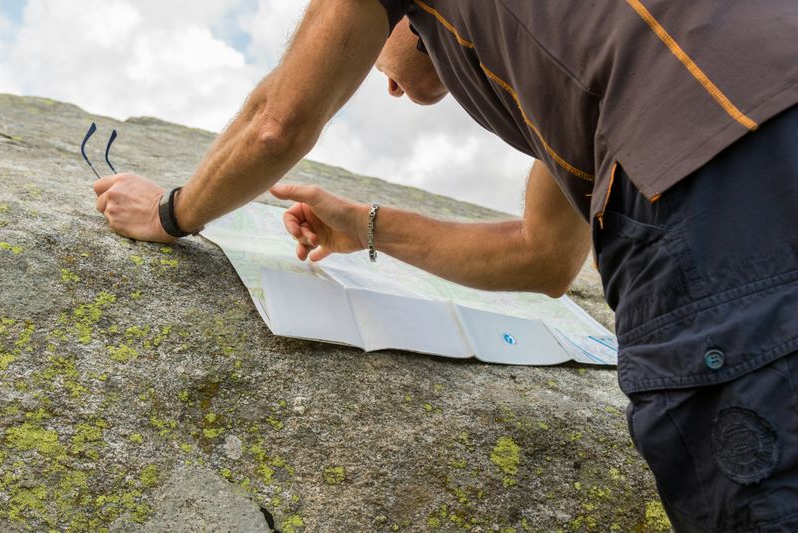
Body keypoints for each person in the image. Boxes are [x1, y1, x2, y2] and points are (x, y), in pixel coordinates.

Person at [93, 1, 798, 530]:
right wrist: (368, 227)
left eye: (372, 57)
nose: (387, 84)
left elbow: (278, 119)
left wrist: (171, 213)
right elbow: (547, 256)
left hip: (718, 191)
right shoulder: (576, 50)